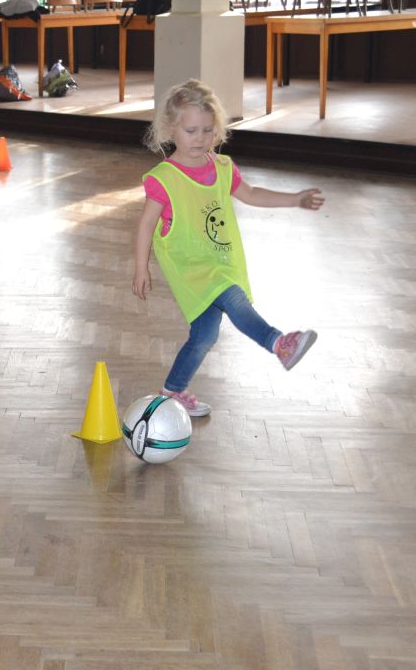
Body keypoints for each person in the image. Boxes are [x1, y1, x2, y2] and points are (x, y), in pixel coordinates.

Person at [132, 79, 325, 418]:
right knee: (234, 299)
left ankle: (172, 390)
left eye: (208, 130)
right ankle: (279, 343)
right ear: (171, 129)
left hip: (222, 260)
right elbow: (146, 225)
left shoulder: (221, 167)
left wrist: (294, 199)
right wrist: (141, 268)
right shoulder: (164, 179)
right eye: (191, 131)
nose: (200, 138)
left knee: (205, 336)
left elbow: (251, 194)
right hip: (192, 269)